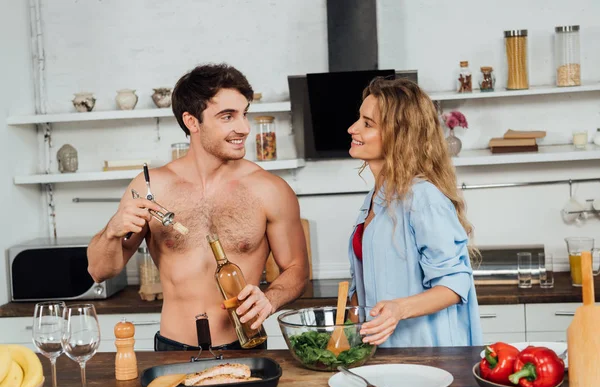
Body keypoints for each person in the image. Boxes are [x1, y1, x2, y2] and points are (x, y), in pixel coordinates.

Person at [87, 63, 309, 351]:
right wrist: (113, 231)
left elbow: (297, 269)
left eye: (244, 114)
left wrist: (272, 298)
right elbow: (99, 270)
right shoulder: (150, 187)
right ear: (192, 122)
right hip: (173, 349)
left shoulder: (270, 189)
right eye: (227, 116)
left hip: (244, 348)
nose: (243, 128)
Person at [346, 76, 483, 348]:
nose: (352, 128)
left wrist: (399, 309)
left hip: (429, 354)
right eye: (358, 119)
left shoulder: (423, 197)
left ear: (400, 134)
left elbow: (455, 285)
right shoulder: (374, 198)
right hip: (383, 351)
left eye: (367, 123)